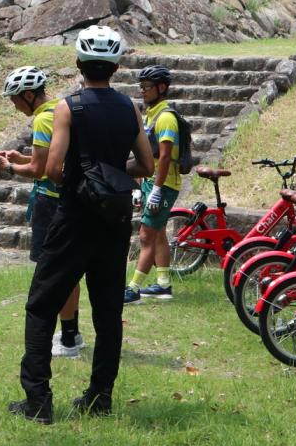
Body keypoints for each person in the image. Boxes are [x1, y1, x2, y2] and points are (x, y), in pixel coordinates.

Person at [10, 26, 153, 423]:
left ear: (78, 64)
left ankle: (38, 401)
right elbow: (146, 165)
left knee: (41, 306)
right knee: (107, 313)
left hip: (73, 219)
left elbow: (52, 169)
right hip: (114, 222)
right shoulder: (130, 108)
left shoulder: (67, 107)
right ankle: (99, 398)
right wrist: (108, 173)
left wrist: (82, 175)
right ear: (116, 66)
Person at [0, 66, 84, 358]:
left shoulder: (43, 121)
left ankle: (68, 339)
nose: (14, 104)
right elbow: (45, 159)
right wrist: (23, 157)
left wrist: (9, 167)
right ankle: (72, 332)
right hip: (69, 200)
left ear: (29, 95)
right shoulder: (60, 110)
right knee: (68, 271)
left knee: (55, 273)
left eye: (16, 98)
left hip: (51, 203)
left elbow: (39, 169)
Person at [126, 65, 182, 303]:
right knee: (158, 234)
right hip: (150, 182)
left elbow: (166, 157)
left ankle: (133, 289)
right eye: (141, 87)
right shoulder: (151, 114)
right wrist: (140, 187)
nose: (142, 91)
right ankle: (163, 284)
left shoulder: (166, 117)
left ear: (162, 88)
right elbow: (146, 156)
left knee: (146, 235)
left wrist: (157, 191)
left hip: (165, 183)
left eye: (147, 87)